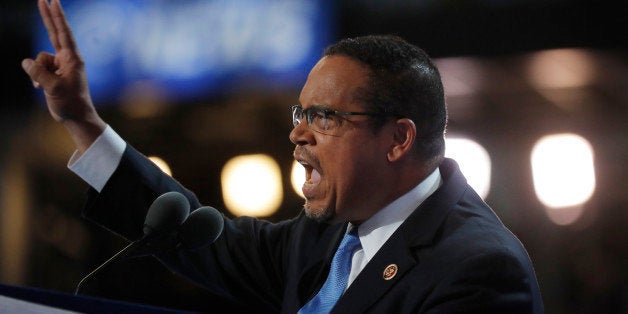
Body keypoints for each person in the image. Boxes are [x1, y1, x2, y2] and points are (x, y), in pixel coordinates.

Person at [22, 0, 544, 313]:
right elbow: (192, 233)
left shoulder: (479, 269)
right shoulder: (322, 235)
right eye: (300, 113)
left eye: (324, 118)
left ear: (398, 139)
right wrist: (82, 121)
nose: (297, 136)